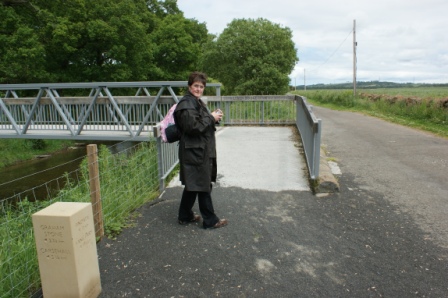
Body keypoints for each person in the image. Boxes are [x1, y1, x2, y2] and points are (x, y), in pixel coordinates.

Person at [174, 71, 228, 229]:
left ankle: (184, 216)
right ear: (190, 86)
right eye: (196, 86)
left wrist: (214, 118)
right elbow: (193, 127)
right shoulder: (186, 104)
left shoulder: (195, 102)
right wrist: (211, 118)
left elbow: (200, 123)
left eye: (201, 86)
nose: (198, 89)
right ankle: (210, 220)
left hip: (197, 150)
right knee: (203, 184)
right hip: (195, 152)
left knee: (194, 184)